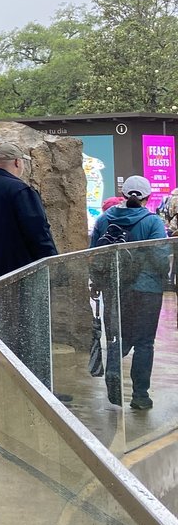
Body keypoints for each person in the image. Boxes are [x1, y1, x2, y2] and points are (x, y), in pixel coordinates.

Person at [0, 141, 60, 386]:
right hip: (22, 272)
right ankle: (37, 387)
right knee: (31, 330)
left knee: (2, 329)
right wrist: (53, 263)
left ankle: (7, 383)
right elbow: (38, 232)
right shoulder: (20, 191)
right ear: (18, 162)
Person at [90, 175, 168, 410]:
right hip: (147, 291)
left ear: (123, 195)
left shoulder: (104, 219)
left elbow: (94, 254)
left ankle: (113, 378)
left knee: (116, 337)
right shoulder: (152, 222)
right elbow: (160, 258)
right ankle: (140, 395)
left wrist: (97, 282)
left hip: (115, 289)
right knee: (145, 342)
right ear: (147, 197)